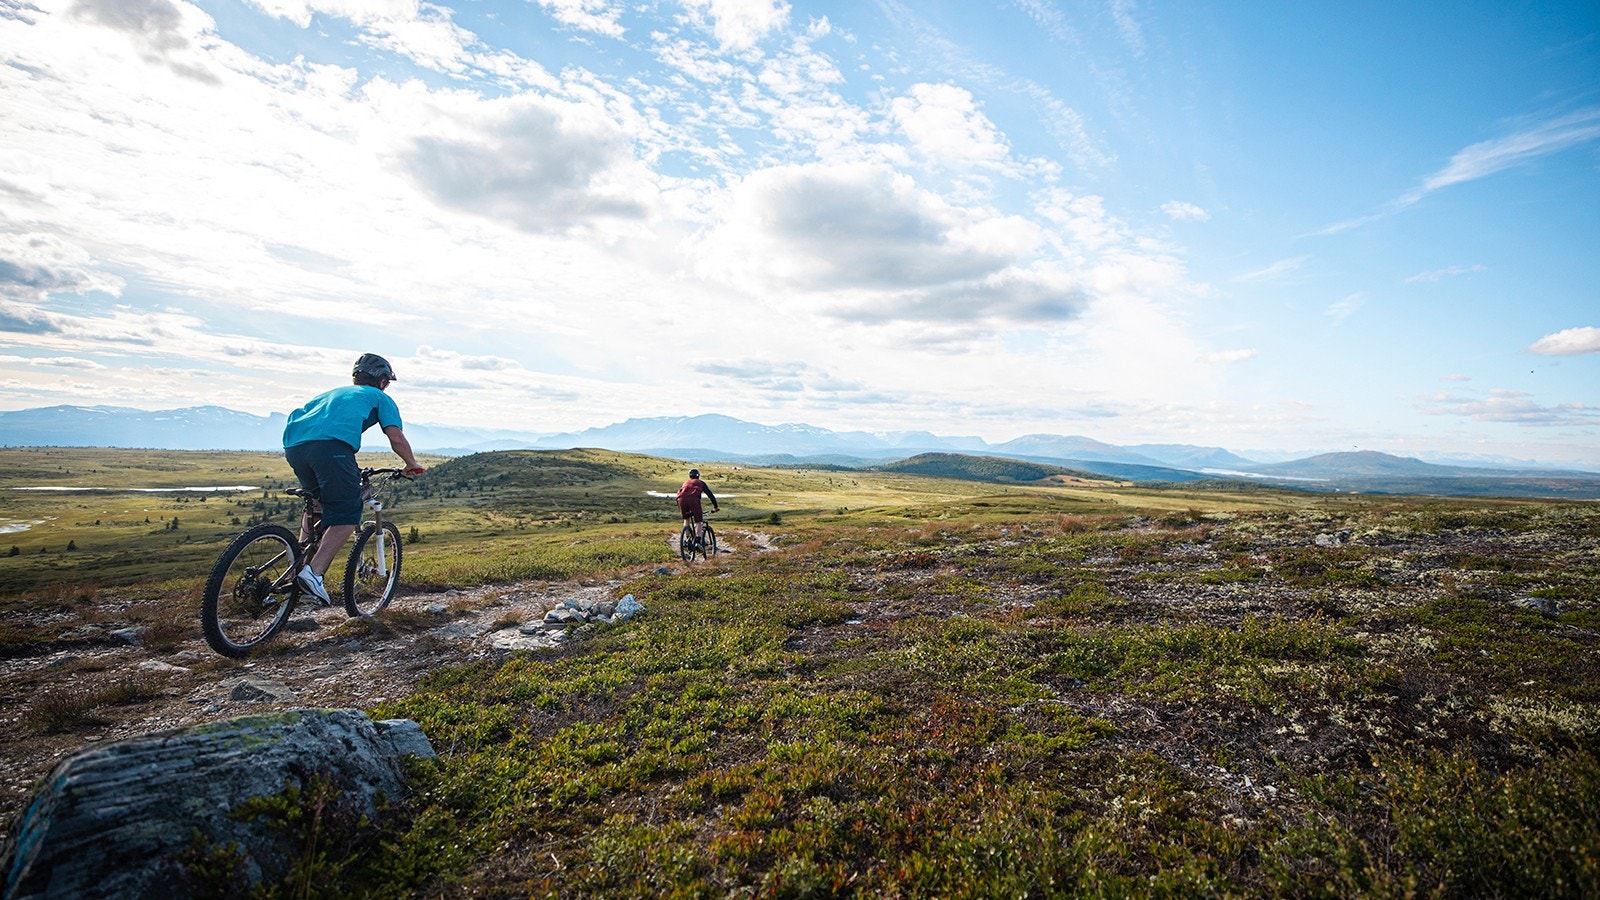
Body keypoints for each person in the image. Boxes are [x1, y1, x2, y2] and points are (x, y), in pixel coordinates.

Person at [282, 353, 425, 605]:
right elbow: (397, 438)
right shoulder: (381, 398)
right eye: (387, 382)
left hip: (294, 447)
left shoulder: (331, 394)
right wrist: (411, 464)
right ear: (382, 381)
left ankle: (293, 574)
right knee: (347, 514)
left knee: (316, 505)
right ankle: (313, 575)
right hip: (331, 448)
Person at [676, 468, 718, 545]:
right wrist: (716, 506)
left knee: (686, 519)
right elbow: (710, 495)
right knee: (699, 520)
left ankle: (687, 539)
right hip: (693, 500)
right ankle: (698, 540)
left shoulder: (685, 483)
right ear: (698, 476)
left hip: (680, 499)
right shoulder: (700, 482)